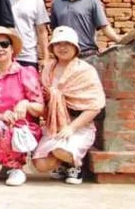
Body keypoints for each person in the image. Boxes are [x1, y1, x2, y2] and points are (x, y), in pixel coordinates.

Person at [33, 26, 106, 185]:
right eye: (58, 43)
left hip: (79, 125)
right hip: (55, 125)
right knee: (41, 164)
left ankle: (74, 165)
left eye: (67, 43)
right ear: (52, 47)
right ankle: (63, 163)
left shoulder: (85, 70)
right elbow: (44, 100)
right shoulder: (47, 69)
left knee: (60, 150)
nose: (63, 47)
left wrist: (71, 128)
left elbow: (95, 105)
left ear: (75, 47)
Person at [0, 26, 44, 186]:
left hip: (23, 129)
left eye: (4, 44)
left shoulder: (26, 72)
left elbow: (41, 108)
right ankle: (5, 165)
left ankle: (16, 168)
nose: (0, 49)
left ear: (12, 49)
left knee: (0, 128)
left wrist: (25, 104)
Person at [50, 0, 120, 61]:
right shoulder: (56, 4)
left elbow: (104, 27)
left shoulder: (92, 1)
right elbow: (55, 31)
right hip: (65, 58)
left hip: (88, 56)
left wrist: (120, 40)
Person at [6, 0, 49, 68]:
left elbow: (42, 31)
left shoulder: (36, 1)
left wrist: (46, 57)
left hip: (28, 56)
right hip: (5, 54)